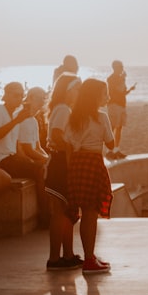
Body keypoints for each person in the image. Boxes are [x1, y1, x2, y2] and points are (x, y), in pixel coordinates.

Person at [64, 78, 115, 274]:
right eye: (105, 94)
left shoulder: (74, 117)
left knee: (83, 211)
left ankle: (89, 256)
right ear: (95, 96)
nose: (108, 97)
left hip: (77, 163)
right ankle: (89, 259)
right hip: (93, 163)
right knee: (90, 214)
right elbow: (110, 144)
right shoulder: (101, 117)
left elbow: (68, 144)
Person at [0, 82, 50, 227]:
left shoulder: (15, 116)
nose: (20, 98)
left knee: (45, 167)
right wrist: (17, 121)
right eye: (16, 95)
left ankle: (51, 212)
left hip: (11, 158)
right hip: (0, 159)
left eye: (21, 95)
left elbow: (17, 146)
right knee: (40, 170)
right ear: (6, 95)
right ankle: (45, 217)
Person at [45, 73, 82, 270]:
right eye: (77, 88)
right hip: (60, 163)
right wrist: (71, 151)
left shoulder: (63, 109)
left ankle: (67, 254)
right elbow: (57, 136)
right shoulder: (62, 109)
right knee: (59, 212)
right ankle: (54, 258)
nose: (79, 92)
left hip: (61, 161)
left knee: (67, 212)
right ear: (68, 90)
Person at [16, 86, 51, 226]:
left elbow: (38, 147)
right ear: (30, 98)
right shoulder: (23, 118)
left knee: (52, 167)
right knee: (43, 170)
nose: (42, 102)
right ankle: (45, 215)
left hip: (29, 157)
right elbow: (27, 150)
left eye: (44, 99)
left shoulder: (33, 120)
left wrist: (48, 159)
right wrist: (47, 161)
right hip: (20, 159)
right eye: (39, 99)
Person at [105, 60, 136, 160]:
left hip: (121, 104)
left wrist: (130, 90)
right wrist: (122, 80)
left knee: (119, 127)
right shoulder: (111, 79)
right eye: (120, 66)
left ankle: (116, 149)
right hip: (114, 104)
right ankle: (110, 151)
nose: (122, 68)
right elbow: (116, 91)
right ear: (115, 67)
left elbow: (122, 92)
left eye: (122, 66)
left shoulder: (120, 79)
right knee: (113, 127)